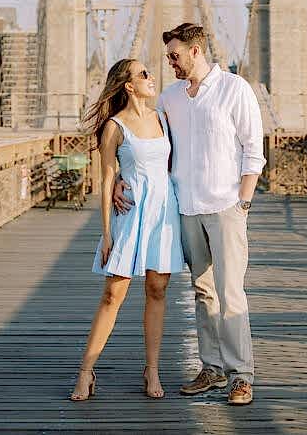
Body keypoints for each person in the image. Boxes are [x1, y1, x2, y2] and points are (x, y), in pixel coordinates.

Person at [115, 23, 265, 406]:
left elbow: (253, 151)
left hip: (226, 207)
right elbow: (137, 134)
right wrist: (117, 176)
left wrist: (243, 203)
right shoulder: (170, 98)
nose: (170, 62)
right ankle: (212, 368)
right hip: (186, 208)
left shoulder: (235, 89)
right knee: (204, 292)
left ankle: (241, 377)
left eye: (175, 55)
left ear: (196, 51)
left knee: (231, 293)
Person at [69, 58, 185, 402]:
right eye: (144, 74)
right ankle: (86, 371)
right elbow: (106, 181)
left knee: (157, 290)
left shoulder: (164, 117)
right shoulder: (115, 127)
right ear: (128, 85)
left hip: (164, 214)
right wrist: (107, 234)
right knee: (113, 294)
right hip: (131, 216)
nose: (152, 77)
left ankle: (152, 369)